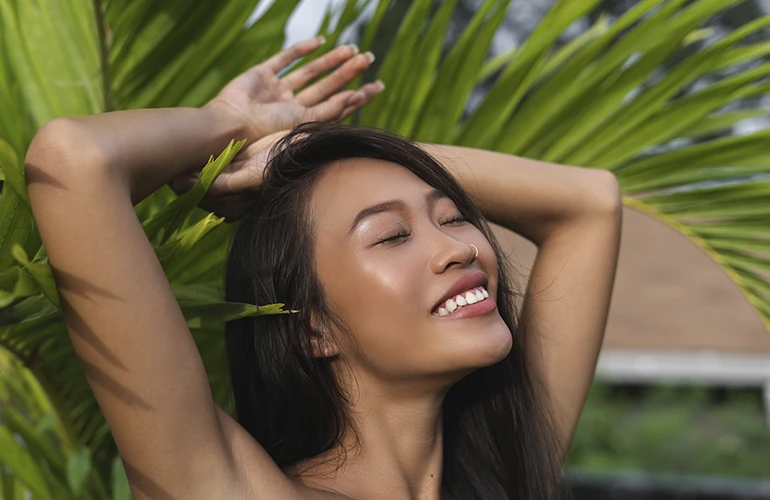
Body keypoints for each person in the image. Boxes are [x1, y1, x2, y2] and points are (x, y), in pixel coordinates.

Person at [25, 36, 622, 500]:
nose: (458, 248)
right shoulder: (227, 488)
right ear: (314, 327)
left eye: (454, 216)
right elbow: (73, 161)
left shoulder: (511, 468)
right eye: (392, 235)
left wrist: (311, 150)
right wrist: (231, 122)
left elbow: (589, 203)